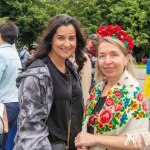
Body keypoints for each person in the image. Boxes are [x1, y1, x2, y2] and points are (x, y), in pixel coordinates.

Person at [14, 14, 86, 150]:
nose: (67, 44)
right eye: (60, 38)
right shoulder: (37, 74)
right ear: (51, 40)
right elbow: (30, 129)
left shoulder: (71, 69)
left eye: (72, 38)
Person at [75, 25, 150, 150]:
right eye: (102, 56)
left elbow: (140, 141)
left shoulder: (131, 91)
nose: (107, 61)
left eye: (114, 55)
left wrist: (95, 139)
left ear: (126, 59)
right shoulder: (97, 89)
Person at [0, 21, 21, 149]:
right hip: (14, 103)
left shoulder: (1, 54)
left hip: (3, 105)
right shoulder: (15, 54)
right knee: (7, 142)